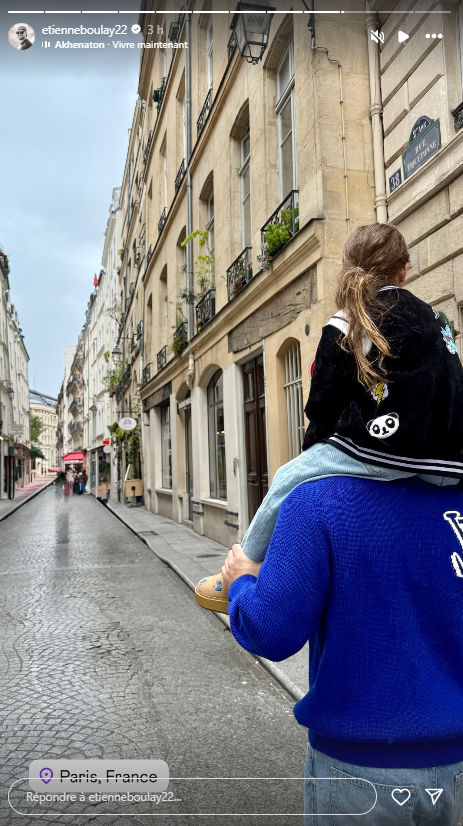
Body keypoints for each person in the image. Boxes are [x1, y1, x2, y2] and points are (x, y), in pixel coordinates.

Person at [195, 223, 463, 613]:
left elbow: (322, 406)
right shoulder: (436, 320)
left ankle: (242, 568)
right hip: (447, 460)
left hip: (385, 449)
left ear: (349, 267)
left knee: (287, 479)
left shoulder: (349, 321)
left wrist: (314, 457)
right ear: (404, 270)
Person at [222, 478, 463, 824]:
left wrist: (241, 583)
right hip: (455, 764)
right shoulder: (454, 499)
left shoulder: (318, 499)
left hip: (359, 768)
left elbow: (271, 632)